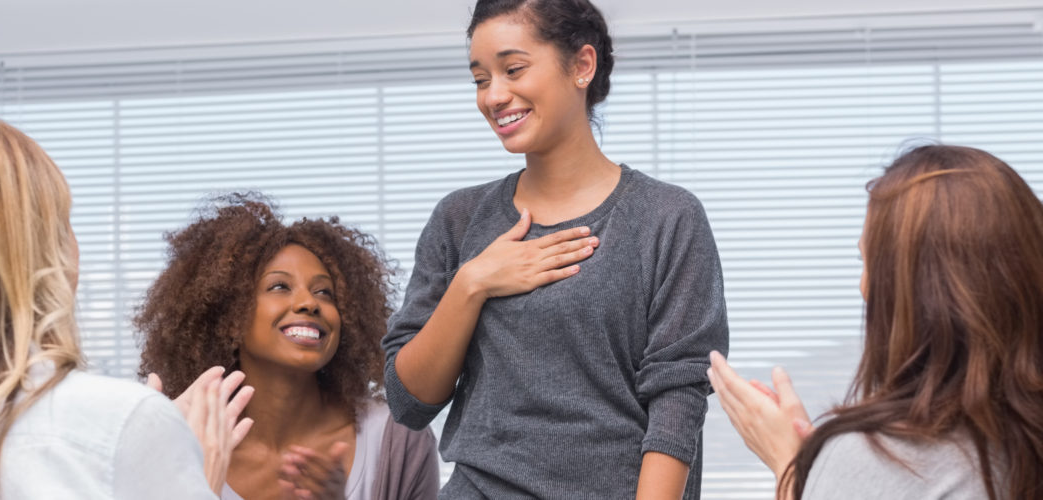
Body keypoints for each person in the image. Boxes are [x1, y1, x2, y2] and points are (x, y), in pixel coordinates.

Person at [381, 0, 729, 498]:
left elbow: (678, 399)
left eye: (513, 69)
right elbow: (408, 402)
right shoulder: (459, 219)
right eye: (480, 79)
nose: (494, 96)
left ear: (582, 65)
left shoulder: (666, 216)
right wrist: (472, 282)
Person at [0, 118, 251, 500]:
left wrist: (137, 441)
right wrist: (192, 472)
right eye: (64, 221)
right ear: (38, 250)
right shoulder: (124, 421)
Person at [709, 145, 1043, 499]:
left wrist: (792, 468)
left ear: (907, 294)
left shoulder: (882, 459)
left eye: (867, 262)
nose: (862, 287)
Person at [136, 194, 439, 500]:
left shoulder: (395, 440)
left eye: (324, 292)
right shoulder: (179, 442)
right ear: (227, 311)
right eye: (279, 286)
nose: (309, 303)